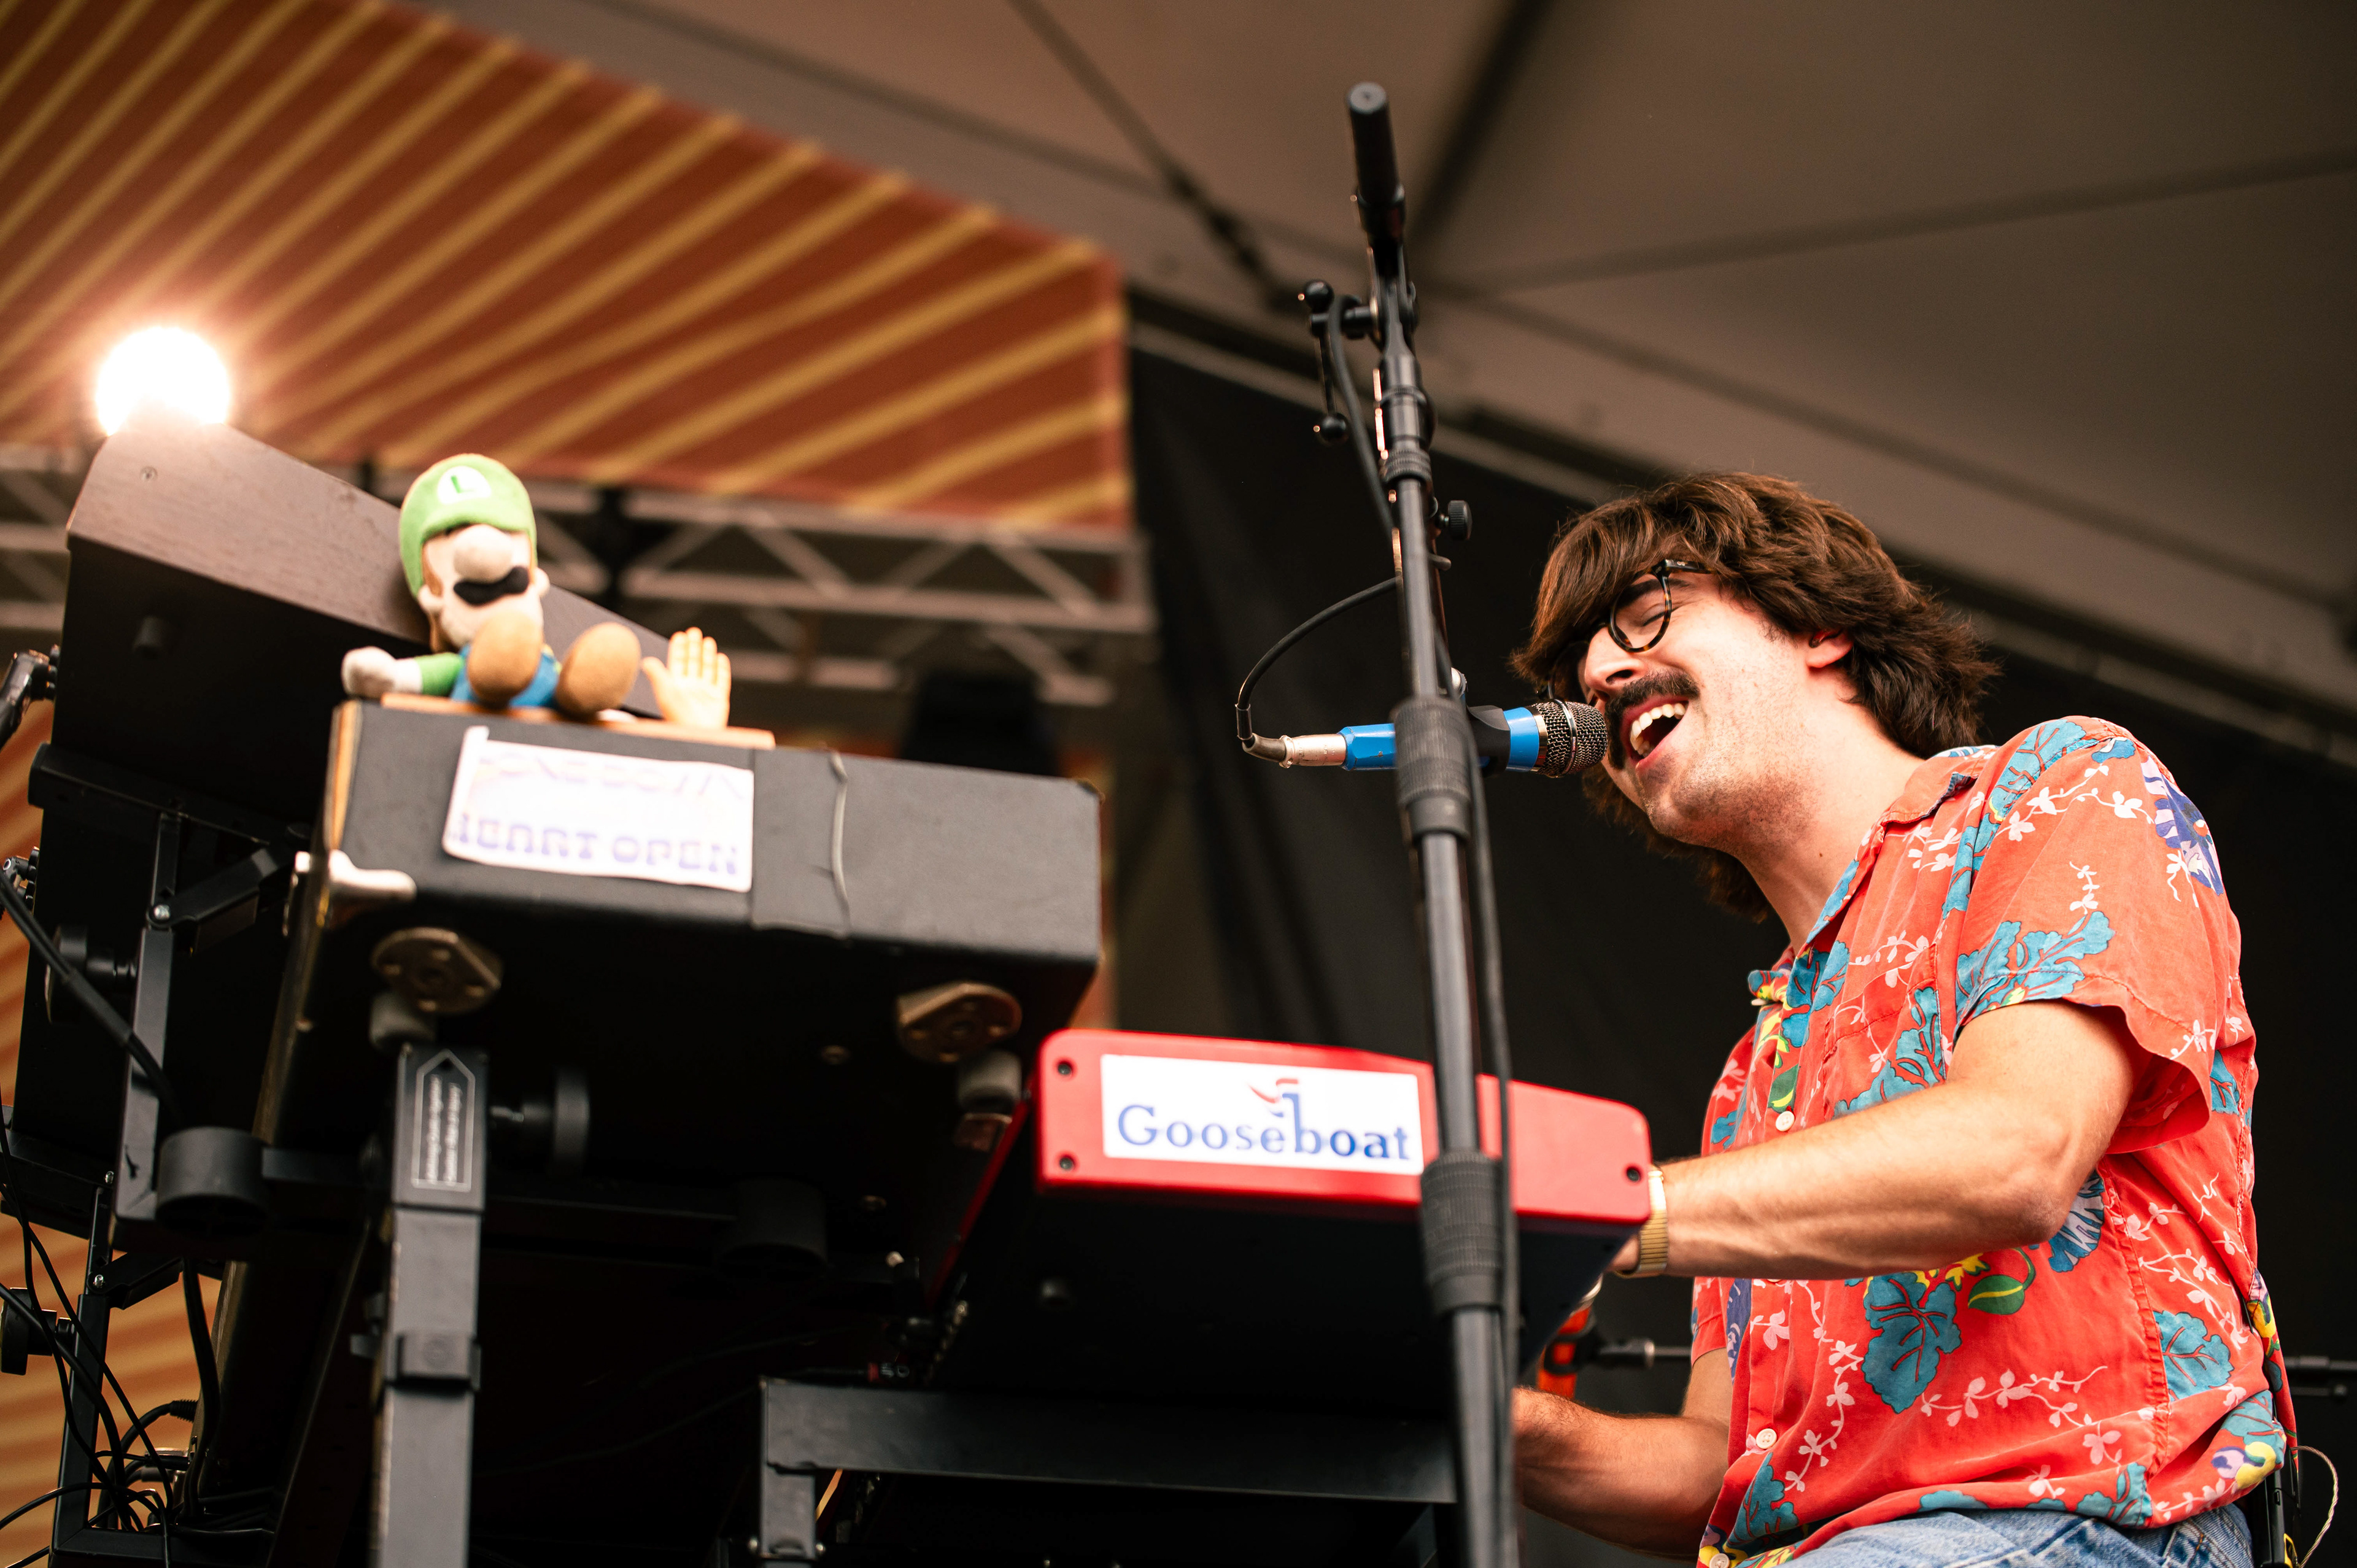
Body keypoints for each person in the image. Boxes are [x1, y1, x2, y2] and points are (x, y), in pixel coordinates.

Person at [1507, 474, 2290, 1567]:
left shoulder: (2061, 789)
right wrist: (1484, 1421)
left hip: (2084, 1523)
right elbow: (1720, 1472)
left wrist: (1606, 1212)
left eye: (1644, 612)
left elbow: (2016, 1152)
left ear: (1817, 625)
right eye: (1578, 668)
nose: (1598, 671)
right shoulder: (1755, 1070)